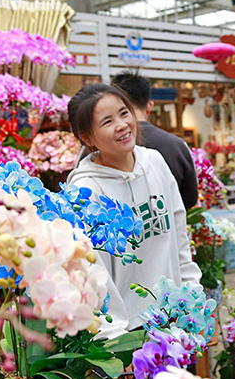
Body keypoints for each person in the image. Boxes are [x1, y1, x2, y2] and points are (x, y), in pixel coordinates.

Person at [66, 83, 201, 339]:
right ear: (87, 137)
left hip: (174, 315)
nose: (122, 125)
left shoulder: (154, 161)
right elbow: (95, 272)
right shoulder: (86, 191)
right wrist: (114, 338)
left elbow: (177, 231)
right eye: (107, 122)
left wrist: (191, 290)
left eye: (124, 113)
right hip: (128, 330)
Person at [111, 71, 198, 210]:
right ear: (149, 106)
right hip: (166, 227)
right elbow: (190, 199)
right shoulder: (177, 145)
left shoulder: (98, 146)